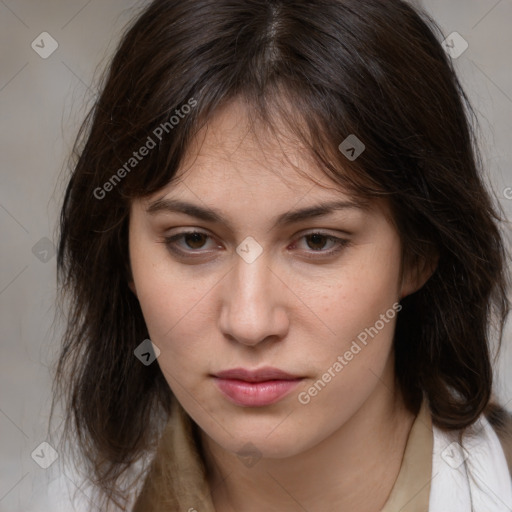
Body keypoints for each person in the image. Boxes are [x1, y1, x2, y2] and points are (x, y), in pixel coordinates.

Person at [51, 0, 512, 510]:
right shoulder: (67, 497)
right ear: (122, 251)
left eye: (317, 241)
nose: (249, 323)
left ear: (420, 253)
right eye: (193, 239)